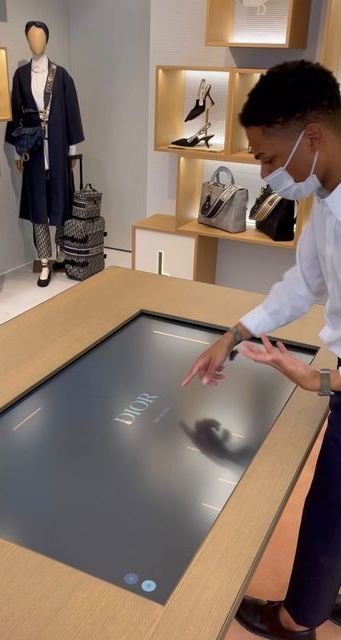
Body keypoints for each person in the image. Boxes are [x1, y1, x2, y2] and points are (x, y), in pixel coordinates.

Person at [182, 60, 341, 640]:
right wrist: (232, 335)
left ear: (313, 136)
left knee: (328, 511)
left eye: (272, 159)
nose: (270, 175)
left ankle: (298, 620)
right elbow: (303, 285)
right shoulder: (326, 200)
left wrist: (318, 382)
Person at [5, 21, 84, 287]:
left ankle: (62, 251)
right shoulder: (20, 75)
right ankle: (45, 260)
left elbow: (72, 112)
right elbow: (16, 113)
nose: (34, 41)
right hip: (34, 150)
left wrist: (72, 151)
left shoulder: (61, 75)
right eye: (30, 37)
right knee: (38, 203)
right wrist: (18, 150)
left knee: (60, 198)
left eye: (39, 36)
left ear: (47, 39)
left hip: (58, 145)